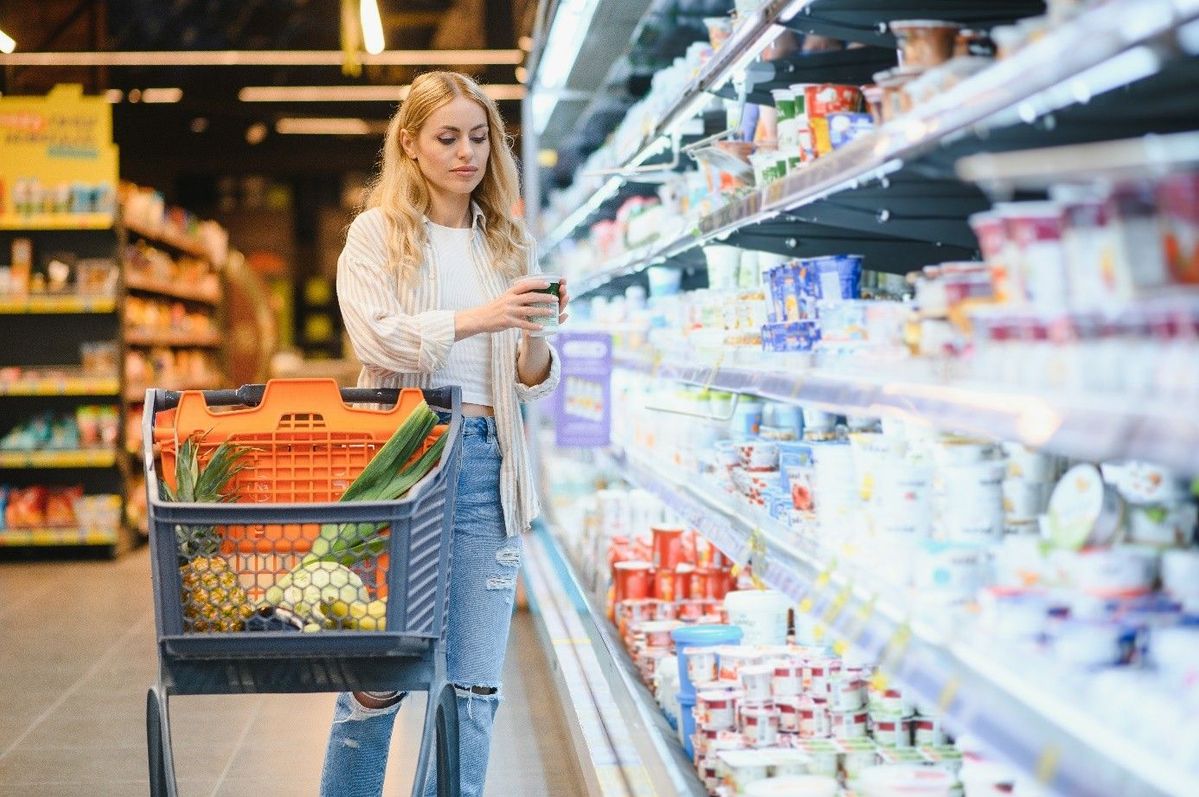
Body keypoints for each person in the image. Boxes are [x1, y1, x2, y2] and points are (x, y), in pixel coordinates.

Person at [321, 70, 567, 797]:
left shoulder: (506, 241)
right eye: (448, 136)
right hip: (402, 468)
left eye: (480, 136)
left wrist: (534, 331)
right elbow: (378, 337)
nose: (467, 152)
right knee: (375, 680)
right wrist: (481, 317)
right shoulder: (376, 234)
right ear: (411, 143)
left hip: (489, 465)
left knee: (472, 690)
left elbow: (532, 377)